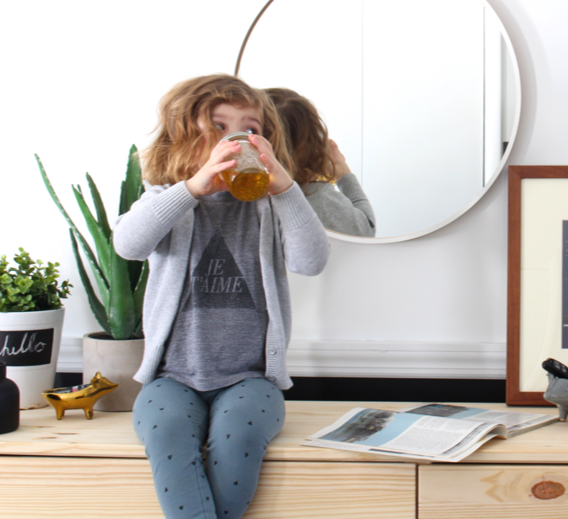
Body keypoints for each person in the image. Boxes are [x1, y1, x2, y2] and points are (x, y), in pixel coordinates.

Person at [113, 74, 330, 518]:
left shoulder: (268, 208)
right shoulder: (166, 200)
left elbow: (311, 261)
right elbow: (129, 245)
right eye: (219, 126)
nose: (237, 139)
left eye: (251, 129)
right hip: (171, 378)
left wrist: (285, 187)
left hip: (251, 379)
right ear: (183, 137)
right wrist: (193, 187)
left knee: (240, 438)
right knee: (167, 433)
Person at [265, 87, 376, 237]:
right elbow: (366, 230)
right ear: (314, 140)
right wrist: (344, 175)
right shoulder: (318, 198)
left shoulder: (247, 197)